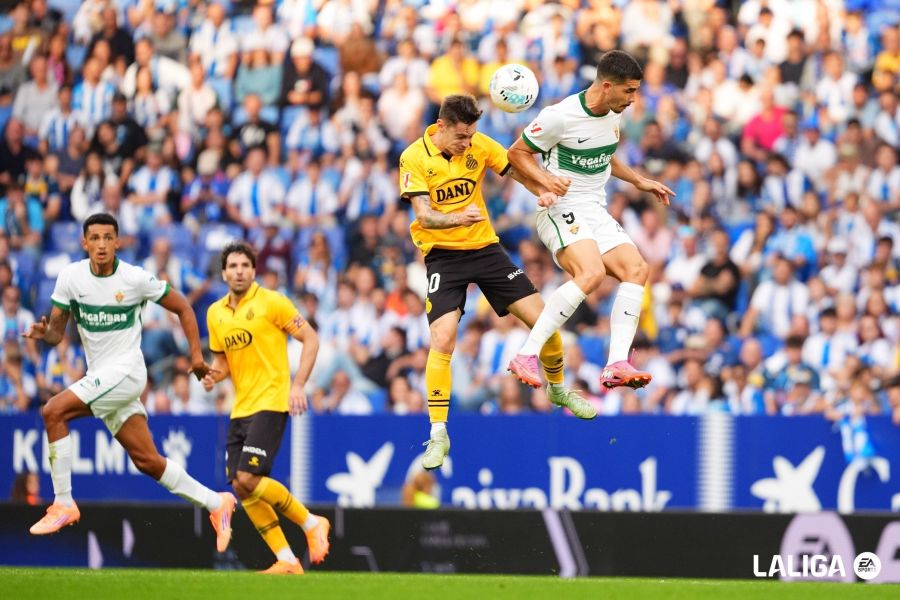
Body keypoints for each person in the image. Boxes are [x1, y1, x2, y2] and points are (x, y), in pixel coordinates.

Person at [398, 94, 596, 472]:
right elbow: (423, 215)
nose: (468, 143)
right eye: (460, 137)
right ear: (441, 127)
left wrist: (544, 188)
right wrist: (457, 219)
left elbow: (516, 169)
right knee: (441, 339)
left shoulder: (478, 145)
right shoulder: (413, 158)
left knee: (546, 320)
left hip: (486, 250)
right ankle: (438, 432)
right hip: (443, 254)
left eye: (472, 135)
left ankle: (557, 388)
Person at [23, 213, 236, 551]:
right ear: (84, 243)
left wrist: (196, 357)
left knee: (53, 412)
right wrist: (42, 333)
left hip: (127, 371)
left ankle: (63, 502)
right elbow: (56, 332)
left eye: (108, 237)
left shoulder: (134, 278)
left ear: (118, 242)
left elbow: (182, 306)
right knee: (148, 461)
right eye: (95, 238)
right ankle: (216, 503)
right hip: (101, 378)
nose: (102, 244)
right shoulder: (70, 277)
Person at [505, 50, 674, 391]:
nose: (633, 99)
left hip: (595, 208)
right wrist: (545, 181)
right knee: (592, 273)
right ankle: (526, 354)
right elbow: (516, 154)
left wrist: (638, 180)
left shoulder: (614, 113)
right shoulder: (559, 117)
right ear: (607, 85)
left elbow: (605, 156)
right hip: (559, 208)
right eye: (629, 91)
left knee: (637, 270)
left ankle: (616, 363)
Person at [202, 242, 329, 575]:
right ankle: (287, 559)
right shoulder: (215, 313)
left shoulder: (273, 302)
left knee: (248, 476)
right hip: (240, 407)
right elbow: (222, 361)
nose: (239, 270)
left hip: (272, 400)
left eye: (245, 265)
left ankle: (312, 522)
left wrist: (298, 385)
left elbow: (311, 339)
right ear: (224, 272)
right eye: (233, 265)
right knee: (241, 486)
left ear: (254, 271)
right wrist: (211, 376)